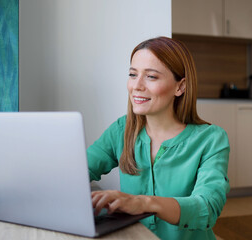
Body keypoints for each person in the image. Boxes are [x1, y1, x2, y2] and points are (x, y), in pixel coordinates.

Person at [87, 36, 230, 240]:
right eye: (132, 74)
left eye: (151, 77)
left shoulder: (211, 139)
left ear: (180, 87)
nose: (136, 85)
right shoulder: (121, 129)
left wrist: (144, 203)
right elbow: (78, 172)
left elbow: (207, 207)